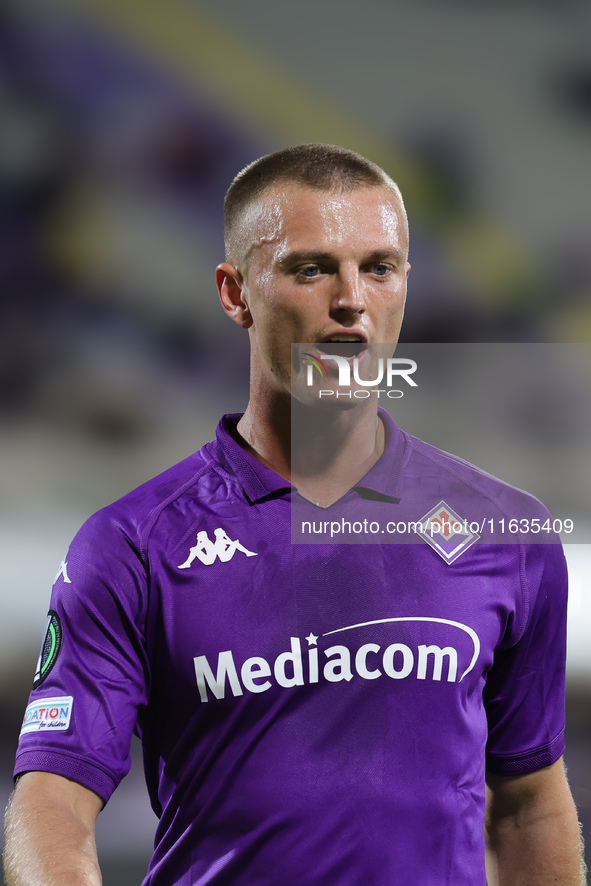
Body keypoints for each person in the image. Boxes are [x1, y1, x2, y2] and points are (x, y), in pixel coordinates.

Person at [4, 144, 586, 885]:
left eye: (378, 267)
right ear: (234, 291)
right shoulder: (133, 547)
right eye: (311, 269)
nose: (351, 299)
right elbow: (53, 797)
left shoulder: (508, 537)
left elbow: (527, 805)